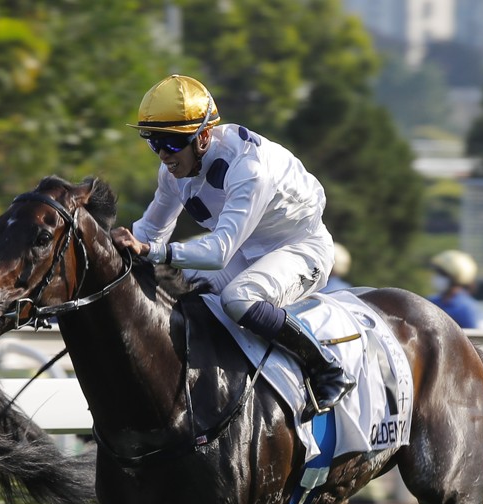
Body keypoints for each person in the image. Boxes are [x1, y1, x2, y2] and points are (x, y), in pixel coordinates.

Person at [109, 74, 354, 419]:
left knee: (239, 299)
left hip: (300, 248)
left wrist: (154, 252)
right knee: (171, 285)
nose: (164, 154)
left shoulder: (249, 169)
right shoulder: (172, 171)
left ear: (204, 136)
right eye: (155, 142)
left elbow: (217, 251)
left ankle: (326, 367)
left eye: (173, 143)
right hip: (246, 250)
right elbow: (149, 231)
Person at [427, 249, 480, 329]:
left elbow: (472, 338)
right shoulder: (431, 302)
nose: (437, 277)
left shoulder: (466, 308)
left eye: (442, 274)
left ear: (454, 277)